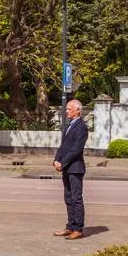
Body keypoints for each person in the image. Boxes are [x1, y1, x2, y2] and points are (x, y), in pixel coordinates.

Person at [53, 99, 88, 239]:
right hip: (66, 167)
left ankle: (78, 229)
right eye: (66, 109)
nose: (66, 111)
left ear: (77, 110)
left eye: (69, 109)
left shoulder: (81, 127)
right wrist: (56, 160)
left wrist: (63, 162)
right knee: (68, 197)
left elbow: (76, 149)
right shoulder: (69, 125)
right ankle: (70, 226)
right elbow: (64, 146)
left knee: (76, 198)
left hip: (75, 168)